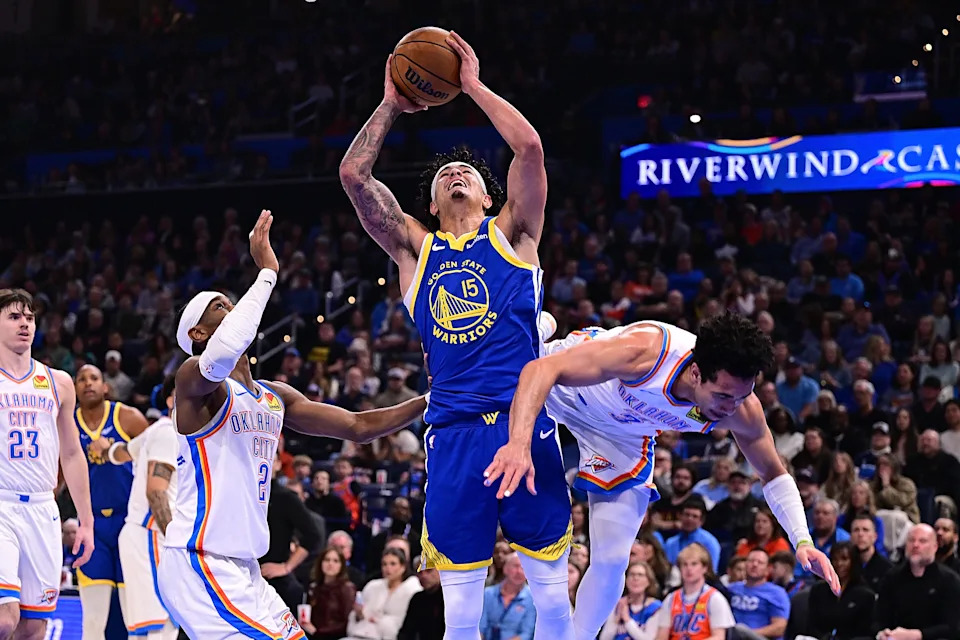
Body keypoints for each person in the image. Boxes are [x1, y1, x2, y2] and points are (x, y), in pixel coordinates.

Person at [339, 30, 572, 640]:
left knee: (550, 590)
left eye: (467, 171)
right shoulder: (417, 249)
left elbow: (529, 147)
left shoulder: (516, 235)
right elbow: (355, 177)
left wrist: (470, 86)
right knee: (461, 612)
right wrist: (392, 101)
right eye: (445, 175)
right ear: (434, 204)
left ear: (491, 195)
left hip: (523, 424)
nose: (456, 174)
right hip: (453, 435)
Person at [486, 312, 839, 640]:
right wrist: (518, 443)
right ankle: (538, 325)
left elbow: (773, 473)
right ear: (697, 373)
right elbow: (539, 371)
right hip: (568, 391)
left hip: (620, 437)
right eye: (723, 396)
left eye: (741, 396)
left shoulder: (740, 409)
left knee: (611, 561)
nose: (730, 408)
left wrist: (802, 539)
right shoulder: (645, 350)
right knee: (500, 360)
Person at [157, 211, 427, 640]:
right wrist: (267, 273)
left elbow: (357, 426)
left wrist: (430, 400)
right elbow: (226, 348)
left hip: (245, 569)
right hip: (199, 559)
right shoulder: (195, 381)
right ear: (198, 332)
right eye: (220, 307)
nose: (233, 310)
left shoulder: (273, 395)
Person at [0, 289, 95, 640]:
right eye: (14, 317)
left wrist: (86, 522)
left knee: (32, 628)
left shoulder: (59, 382)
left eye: (29, 317)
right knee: (4, 619)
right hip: (1, 505)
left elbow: (71, 454)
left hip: (43, 509)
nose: (24, 323)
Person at [92, 374, 178, 639]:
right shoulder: (169, 432)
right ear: (172, 399)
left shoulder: (157, 431)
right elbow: (155, 492)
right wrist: (177, 540)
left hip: (143, 536)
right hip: (153, 535)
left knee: (146, 630)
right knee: (163, 627)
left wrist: (104, 451)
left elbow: (125, 452)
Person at [73, 362, 149, 637]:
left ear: (106, 387)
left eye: (94, 378)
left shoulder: (128, 417)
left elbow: (154, 458)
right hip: (91, 526)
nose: (88, 383)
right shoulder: (67, 425)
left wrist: (117, 451)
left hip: (128, 523)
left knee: (133, 616)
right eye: (81, 379)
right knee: (93, 621)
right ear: (75, 389)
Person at [874, 524, 960, 640]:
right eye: (911, 540)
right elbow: (879, 618)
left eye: (922, 541)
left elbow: (952, 627)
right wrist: (882, 633)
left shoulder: (949, 580)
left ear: (934, 547)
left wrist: (917, 635)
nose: (915, 545)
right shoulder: (892, 577)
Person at [654, 544, 736, 640]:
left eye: (694, 564)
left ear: (704, 568)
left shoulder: (715, 598)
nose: (689, 569)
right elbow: (661, 636)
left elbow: (719, 637)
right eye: (685, 564)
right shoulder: (671, 598)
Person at [346, 548, 423, 640]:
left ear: (403, 567)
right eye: (384, 564)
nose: (388, 568)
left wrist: (380, 622)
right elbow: (358, 617)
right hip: (362, 634)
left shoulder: (412, 589)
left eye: (393, 564)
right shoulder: (372, 587)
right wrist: (359, 615)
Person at [804, 542, 875, 640]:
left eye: (844, 559)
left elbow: (866, 632)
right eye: (835, 559)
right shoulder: (818, 590)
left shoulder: (866, 595)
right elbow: (811, 626)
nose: (839, 563)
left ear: (853, 561)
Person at [726, 550, 790, 640]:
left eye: (760, 562)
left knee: (740, 629)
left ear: (768, 569)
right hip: (731, 636)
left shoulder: (776, 593)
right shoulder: (731, 589)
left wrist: (746, 634)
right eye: (751, 561)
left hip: (759, 637)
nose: (754, 564)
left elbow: (779, 628)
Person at [302, 547, 356, 640]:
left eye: (335, 561)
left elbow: (346, 623)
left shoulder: (347, 589)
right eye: (327, 560)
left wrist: (317, 633)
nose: (330, 564)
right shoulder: (313, 587)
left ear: (341, 565)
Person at [479, 553, 537, 640]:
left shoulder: (532, 599)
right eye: (516, 566)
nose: (519, 572)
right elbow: (480, 627)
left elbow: (526, 634)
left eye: (523, 568)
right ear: (505, 569)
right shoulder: (488, 594)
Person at [598, 561, 661, 640]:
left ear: (648, 581)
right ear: (626, 580)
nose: (635, 578)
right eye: (632, 574)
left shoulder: (654, 607)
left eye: (640, 575)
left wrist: (627, 620)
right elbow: (604, 638)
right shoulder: (618, 604)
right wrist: (616, 620)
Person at [398, 566, 445, 640]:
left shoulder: (451, 597)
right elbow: (407, 632)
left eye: (428, 571)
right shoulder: (417, 599)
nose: (423, 576)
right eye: (420, 572)